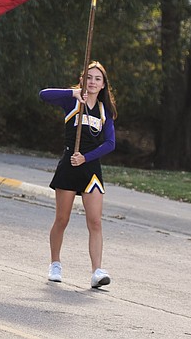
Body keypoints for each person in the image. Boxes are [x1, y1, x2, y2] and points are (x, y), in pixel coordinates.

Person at [42, 62, 116, 288]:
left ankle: (97, 271)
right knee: (62, 219)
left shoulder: (105, 111)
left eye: (97, 79)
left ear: (103, 85)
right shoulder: (72, 101)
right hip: (69, 166)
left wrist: (87, 157)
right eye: (89, 77)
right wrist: (73, 92)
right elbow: (43, 94)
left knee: (95, 222)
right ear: (82, 79)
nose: (93, 82)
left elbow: (110, 144)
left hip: (90, 168)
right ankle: (55, 263)